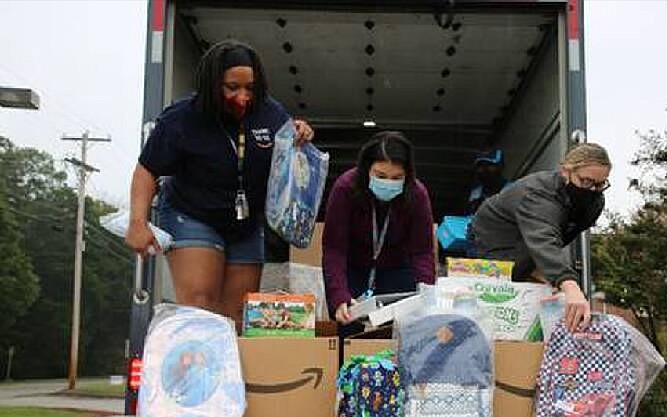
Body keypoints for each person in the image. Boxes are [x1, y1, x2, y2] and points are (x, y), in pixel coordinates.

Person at [125, 40, 314, 330]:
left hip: (245, 224)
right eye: (231, 88)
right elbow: (147, 170)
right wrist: (138, 221)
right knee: (200, 304)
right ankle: (194, 372)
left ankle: (231, 375)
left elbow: (291, 151)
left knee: (236, 317)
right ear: (212, 84)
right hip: (191, 215)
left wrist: (300, 132)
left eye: (250, 88)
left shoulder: (269, 113)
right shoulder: (181, 118)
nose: (242, 98)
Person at [469, 143, 611, 331]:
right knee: (498, 306)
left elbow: (558, 239)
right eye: (586, 181)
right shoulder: (538, 195)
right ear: (565, 172)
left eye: (600, 184)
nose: (592, 190)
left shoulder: (594, 204)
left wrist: (551, 278)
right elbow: (544, 240)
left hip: (529, 245)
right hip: (493, 240)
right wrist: (569, 284)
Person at [322, 131, 435, 325]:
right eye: (381, 176)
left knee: (399, 330)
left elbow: (422, 251)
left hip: (398, 269)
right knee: (350, 325)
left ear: (407, 175)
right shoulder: (345, 188)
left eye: (396, 177)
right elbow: (334, 248)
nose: (388, 183)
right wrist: (338, 294)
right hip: (353, 267)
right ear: (367, 169)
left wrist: (427, 292)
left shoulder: (417, 194)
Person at [466, 148, 507, 214]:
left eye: (489, 165)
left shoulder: (513, 189)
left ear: (501, 166)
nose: (483, 170)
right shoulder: (475, 194)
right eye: (480, 166)